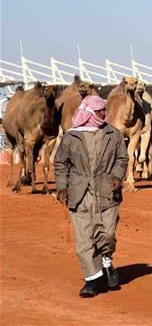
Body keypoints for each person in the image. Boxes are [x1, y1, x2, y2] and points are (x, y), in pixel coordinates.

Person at [54, 95, 128, 298]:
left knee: (107, 234)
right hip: (79, 193)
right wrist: (62, 187)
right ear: (88, 112)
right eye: (100, 111)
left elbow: (122, 158)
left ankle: (106, 261)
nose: (105, 114)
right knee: (84, 240)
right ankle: (91, 280)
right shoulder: (71, 136)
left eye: (105, 110)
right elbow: (61, 163)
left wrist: (117, 175)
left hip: (107, 192)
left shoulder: (113, 134)